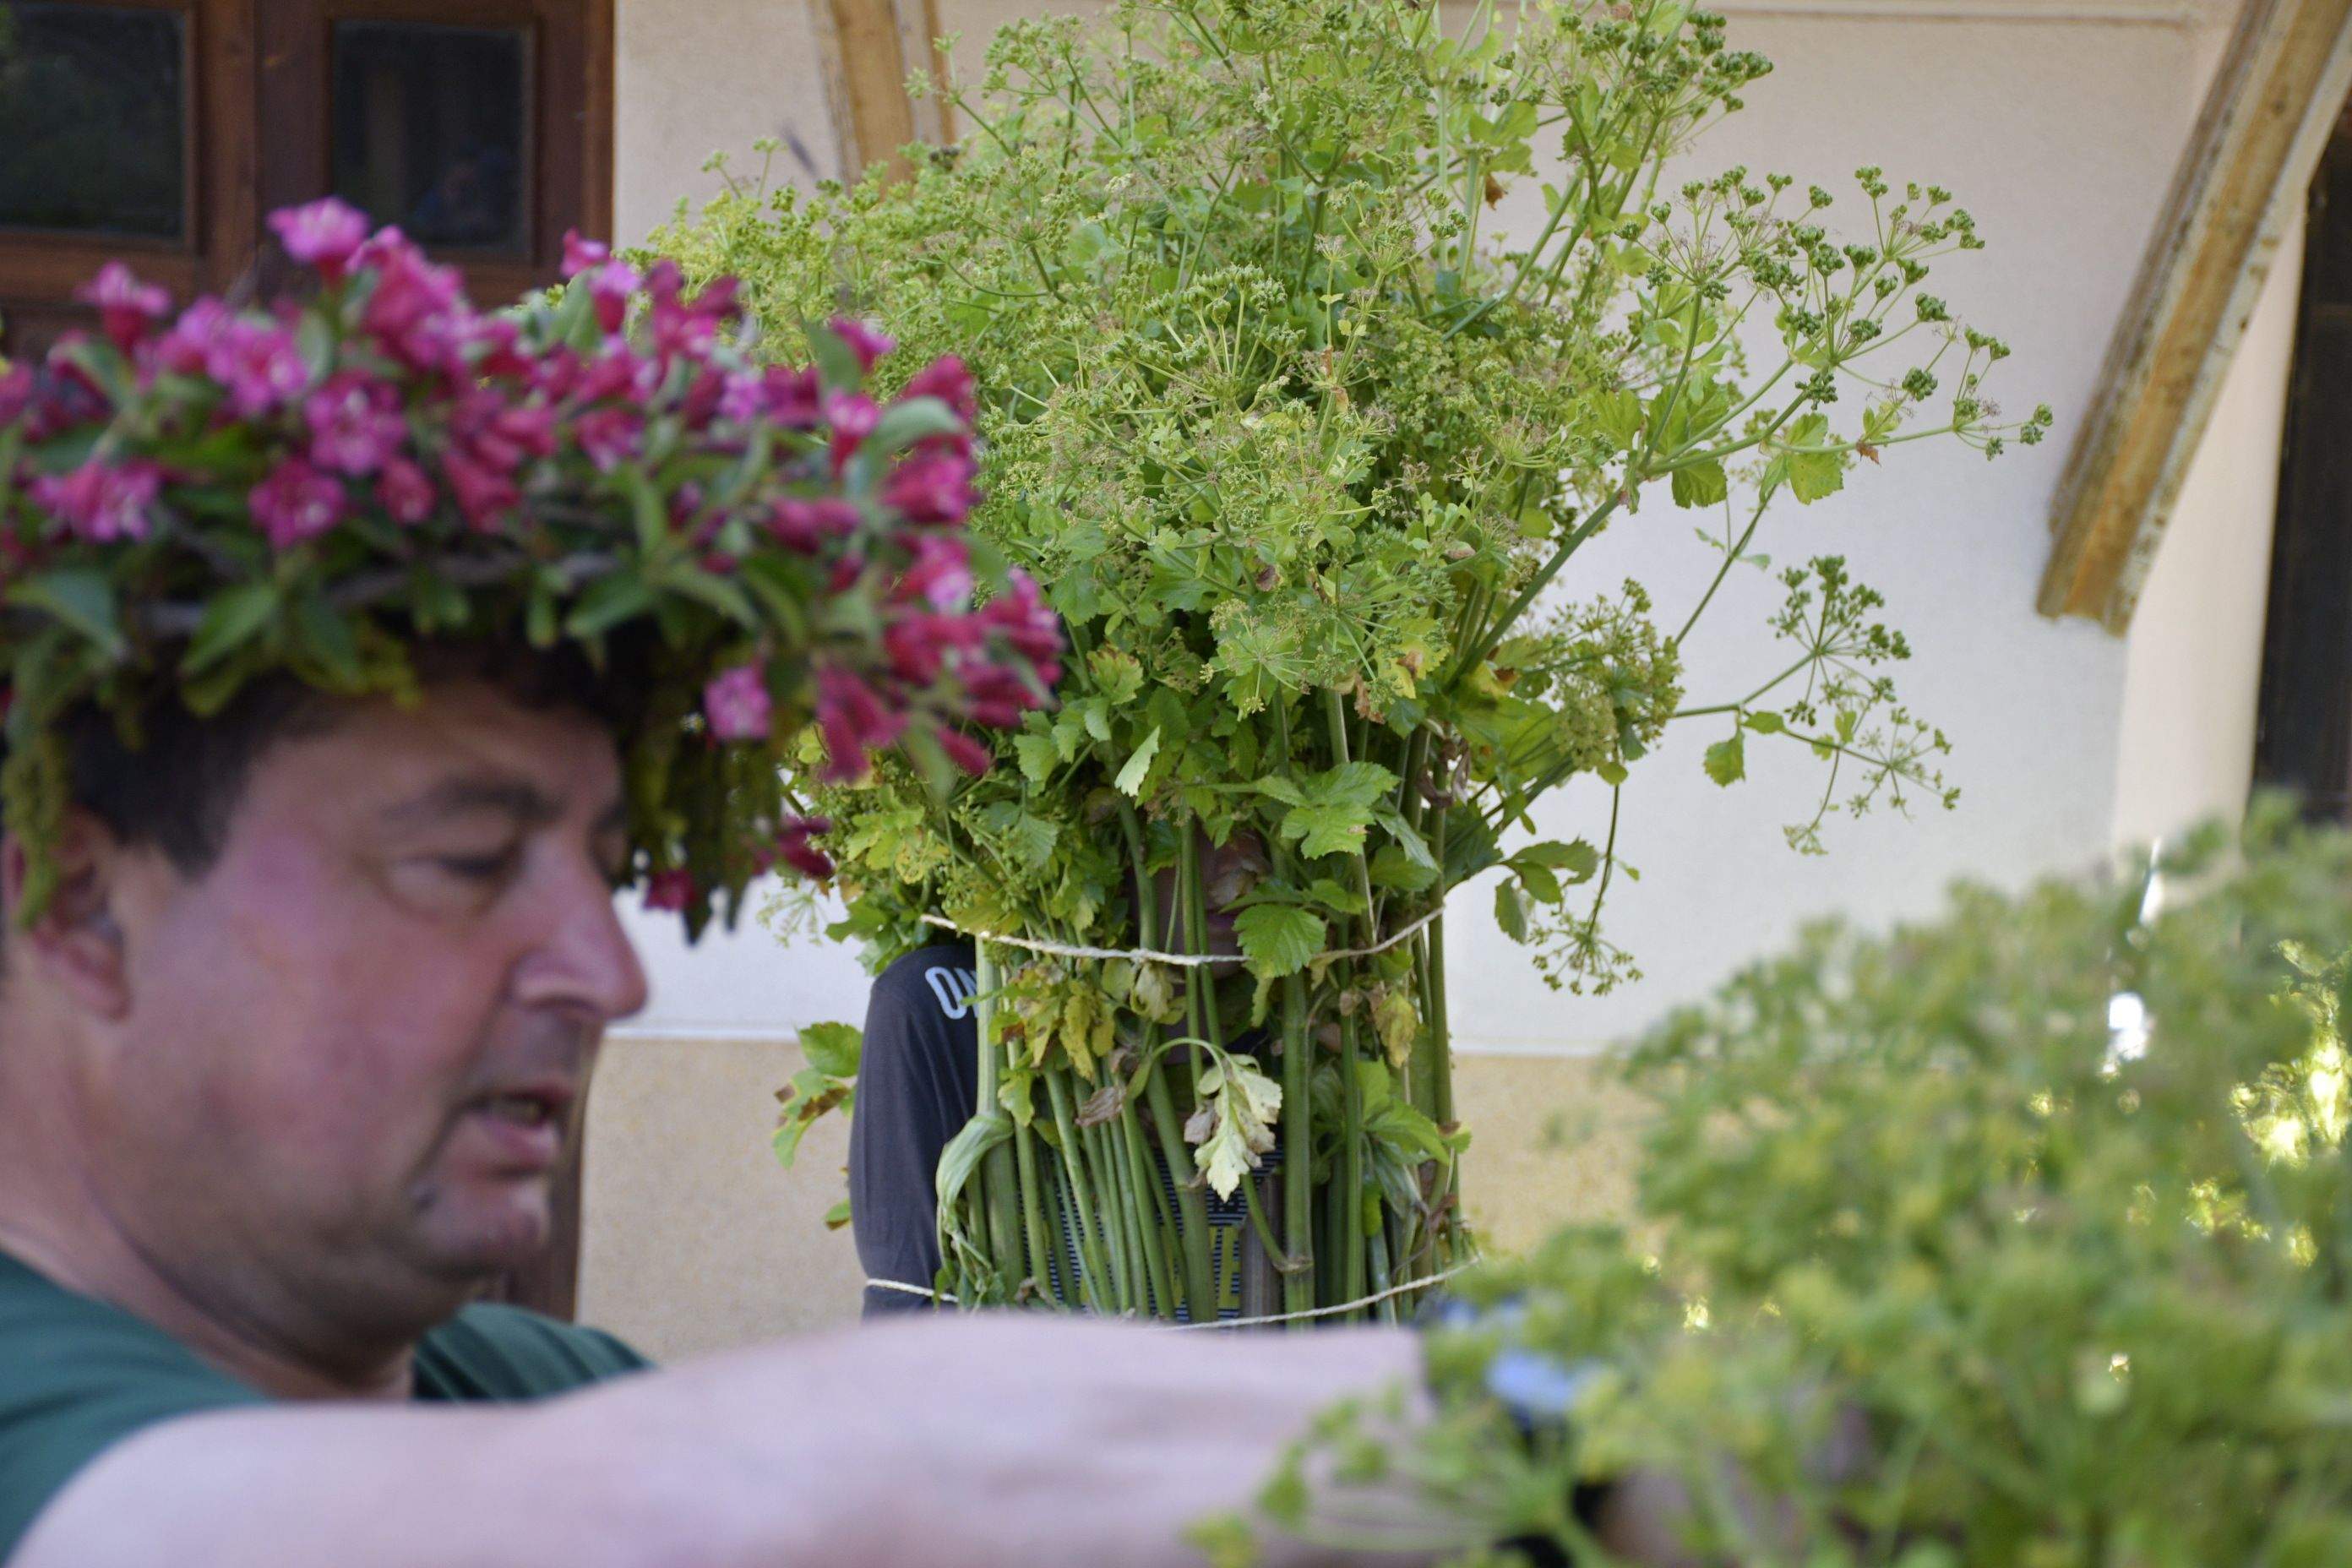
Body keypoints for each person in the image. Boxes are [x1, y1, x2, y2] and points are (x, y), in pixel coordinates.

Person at [0, 651, 1431, 1568]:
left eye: (604, 865)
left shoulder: (537, 1386)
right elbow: (747, 1493)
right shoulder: (36, 1428)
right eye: (469, 860)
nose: (608, 973)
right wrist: (1544, 1429)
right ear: (80, 910)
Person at [850, 833, 1276, 1318]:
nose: (1243, 864)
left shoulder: (1310, 1029)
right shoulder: (946, 1009)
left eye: (1259, 826)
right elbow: (910, 1320)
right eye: (1201, 826)